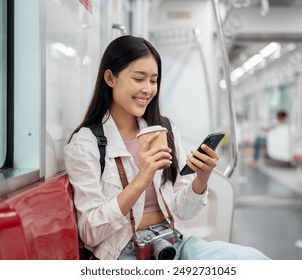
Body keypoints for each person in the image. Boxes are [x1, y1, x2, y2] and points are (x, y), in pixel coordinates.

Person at [64, 35, 269, 260]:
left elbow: (184, 211)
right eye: (139, 79)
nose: (148, 89)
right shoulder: (86, 144)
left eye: (153, 81)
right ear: (111, 78)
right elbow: (89, 232)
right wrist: (141, 180)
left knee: (254, 259)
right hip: (123, 252)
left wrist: (202, 178)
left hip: (172, 243)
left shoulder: (165, 129)